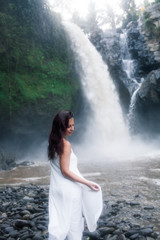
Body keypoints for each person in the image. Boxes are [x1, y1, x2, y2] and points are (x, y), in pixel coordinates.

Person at [48, 110, 102, 240]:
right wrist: (87, 183)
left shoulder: (53, 142)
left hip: (56, 190)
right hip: (70, 191)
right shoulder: (66, 145)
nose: (72, 128)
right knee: (74, 228)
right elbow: (65, 171)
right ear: (61, 126)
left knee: (59, 223)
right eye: (69, 126)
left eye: (73, 125)